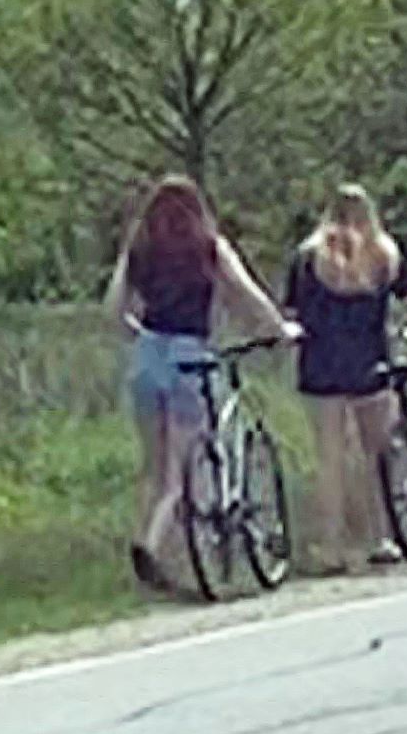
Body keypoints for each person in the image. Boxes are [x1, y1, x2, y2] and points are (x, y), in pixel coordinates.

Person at [104, 176, 299, 591]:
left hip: (147, 357)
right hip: (190, 358)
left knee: (154, 469)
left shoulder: (139, 248)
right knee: (181, 474)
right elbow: (246, 295)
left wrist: (133, 331)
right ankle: (153, 548)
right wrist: (279, 329)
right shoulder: (208, 246)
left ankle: (159, 553)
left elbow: (113, 307)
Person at [284, 185, 407, 573]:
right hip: (370, 363)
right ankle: (382, 538)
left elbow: (291, 312)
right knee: (378, 456)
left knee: (331, 458)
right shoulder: (383, 254)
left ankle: (331, 546)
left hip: (320, 364)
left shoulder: (307, 259)